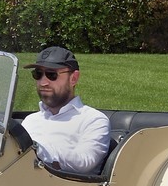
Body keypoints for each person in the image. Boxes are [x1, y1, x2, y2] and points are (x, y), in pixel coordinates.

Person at [20, 46, 110, 175]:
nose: (43, 82)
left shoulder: (93, 120)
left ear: (73, 78)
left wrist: (37, 148)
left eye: (52, 75)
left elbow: (85, 162)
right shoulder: (30, 120)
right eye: (38, 74)